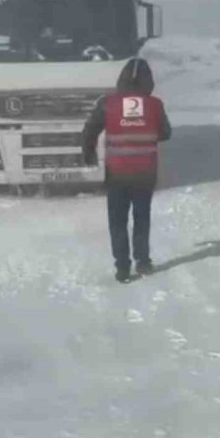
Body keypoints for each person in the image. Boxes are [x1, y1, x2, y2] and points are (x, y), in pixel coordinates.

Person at [82, 58, 172, 283]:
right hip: (145, 172)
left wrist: (88, 152)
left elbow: (90, 129)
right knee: (142, 217)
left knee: (117, 220)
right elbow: (166, 133)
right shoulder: (155, 105)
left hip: (117, 173)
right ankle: (143, 262)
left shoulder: (107, 103)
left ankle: (122, 267)